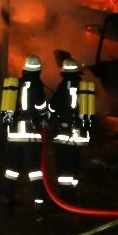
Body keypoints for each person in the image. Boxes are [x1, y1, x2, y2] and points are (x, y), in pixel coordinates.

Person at [1, 54, 51, 210]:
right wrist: (46, 115)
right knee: (35, 170)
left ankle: (8, 197)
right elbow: (40, 106)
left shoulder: (17, 84)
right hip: (29, 135)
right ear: (38, 70)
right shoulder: (36, 84)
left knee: (12, 169)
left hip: (14, 134)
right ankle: (40, 203)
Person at [47, 57, 94, 202]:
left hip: (65, 135)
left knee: (63, 168)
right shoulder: (83, 87)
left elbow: (52, 107)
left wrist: (47, 117)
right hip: (79, 135)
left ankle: (65, 198)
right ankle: (73, 194)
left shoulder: (63, 87)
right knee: (74, 165)